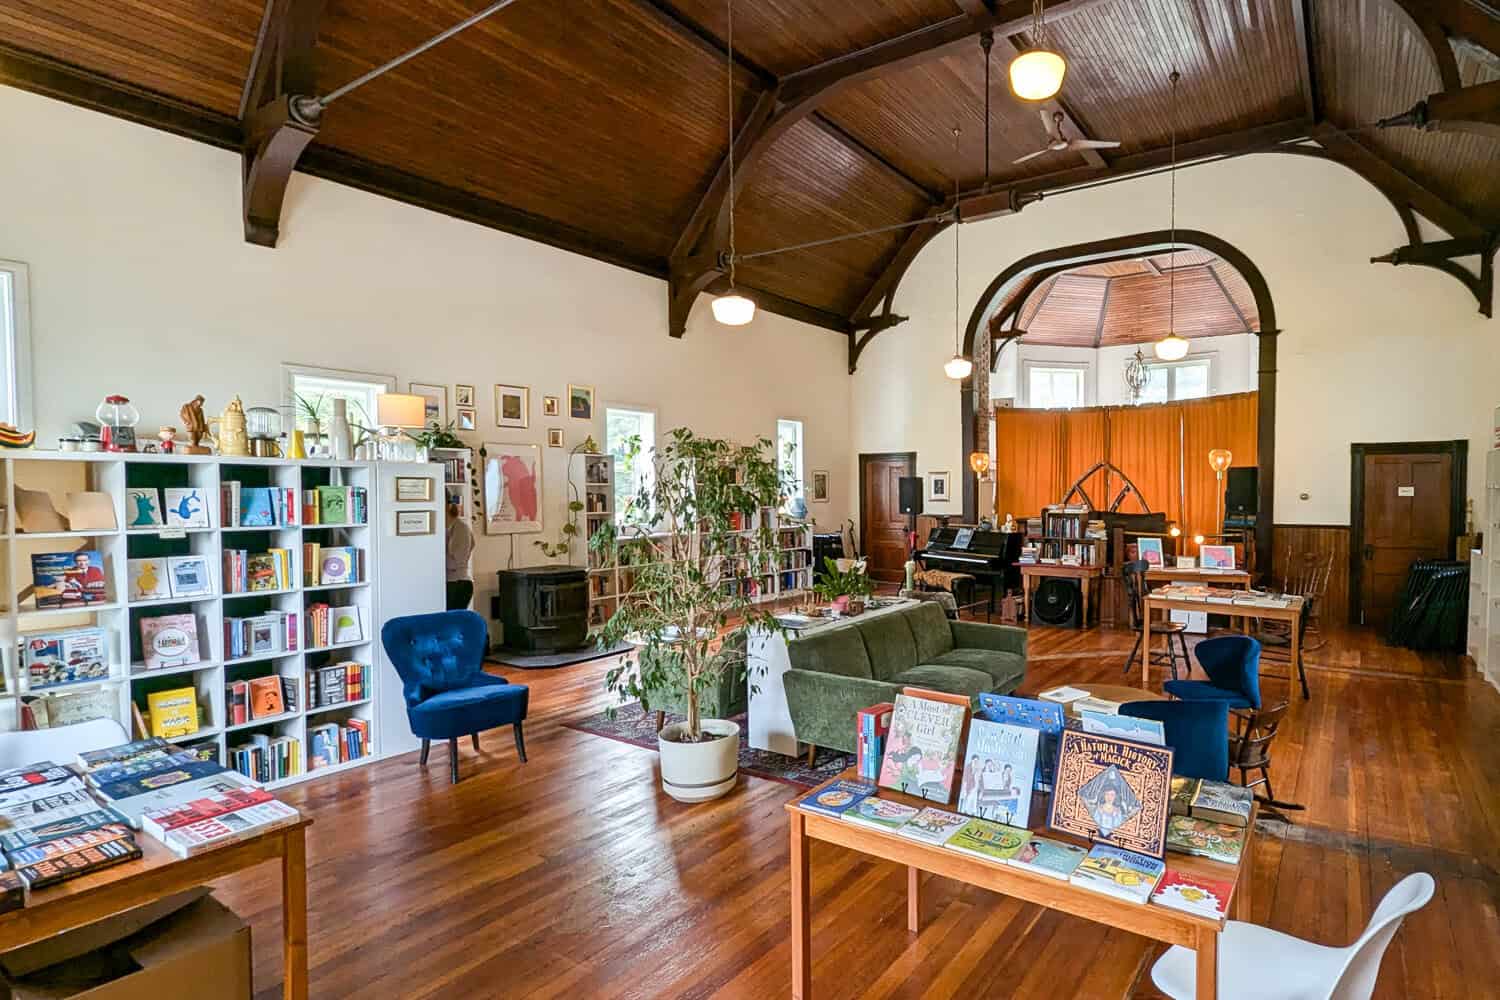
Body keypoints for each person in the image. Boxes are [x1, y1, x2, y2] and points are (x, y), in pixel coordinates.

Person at [445, 499, 475, 610]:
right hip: (451, 584)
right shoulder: (446, 528)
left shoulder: (460, 528)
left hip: (457, 585)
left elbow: (457, 562)